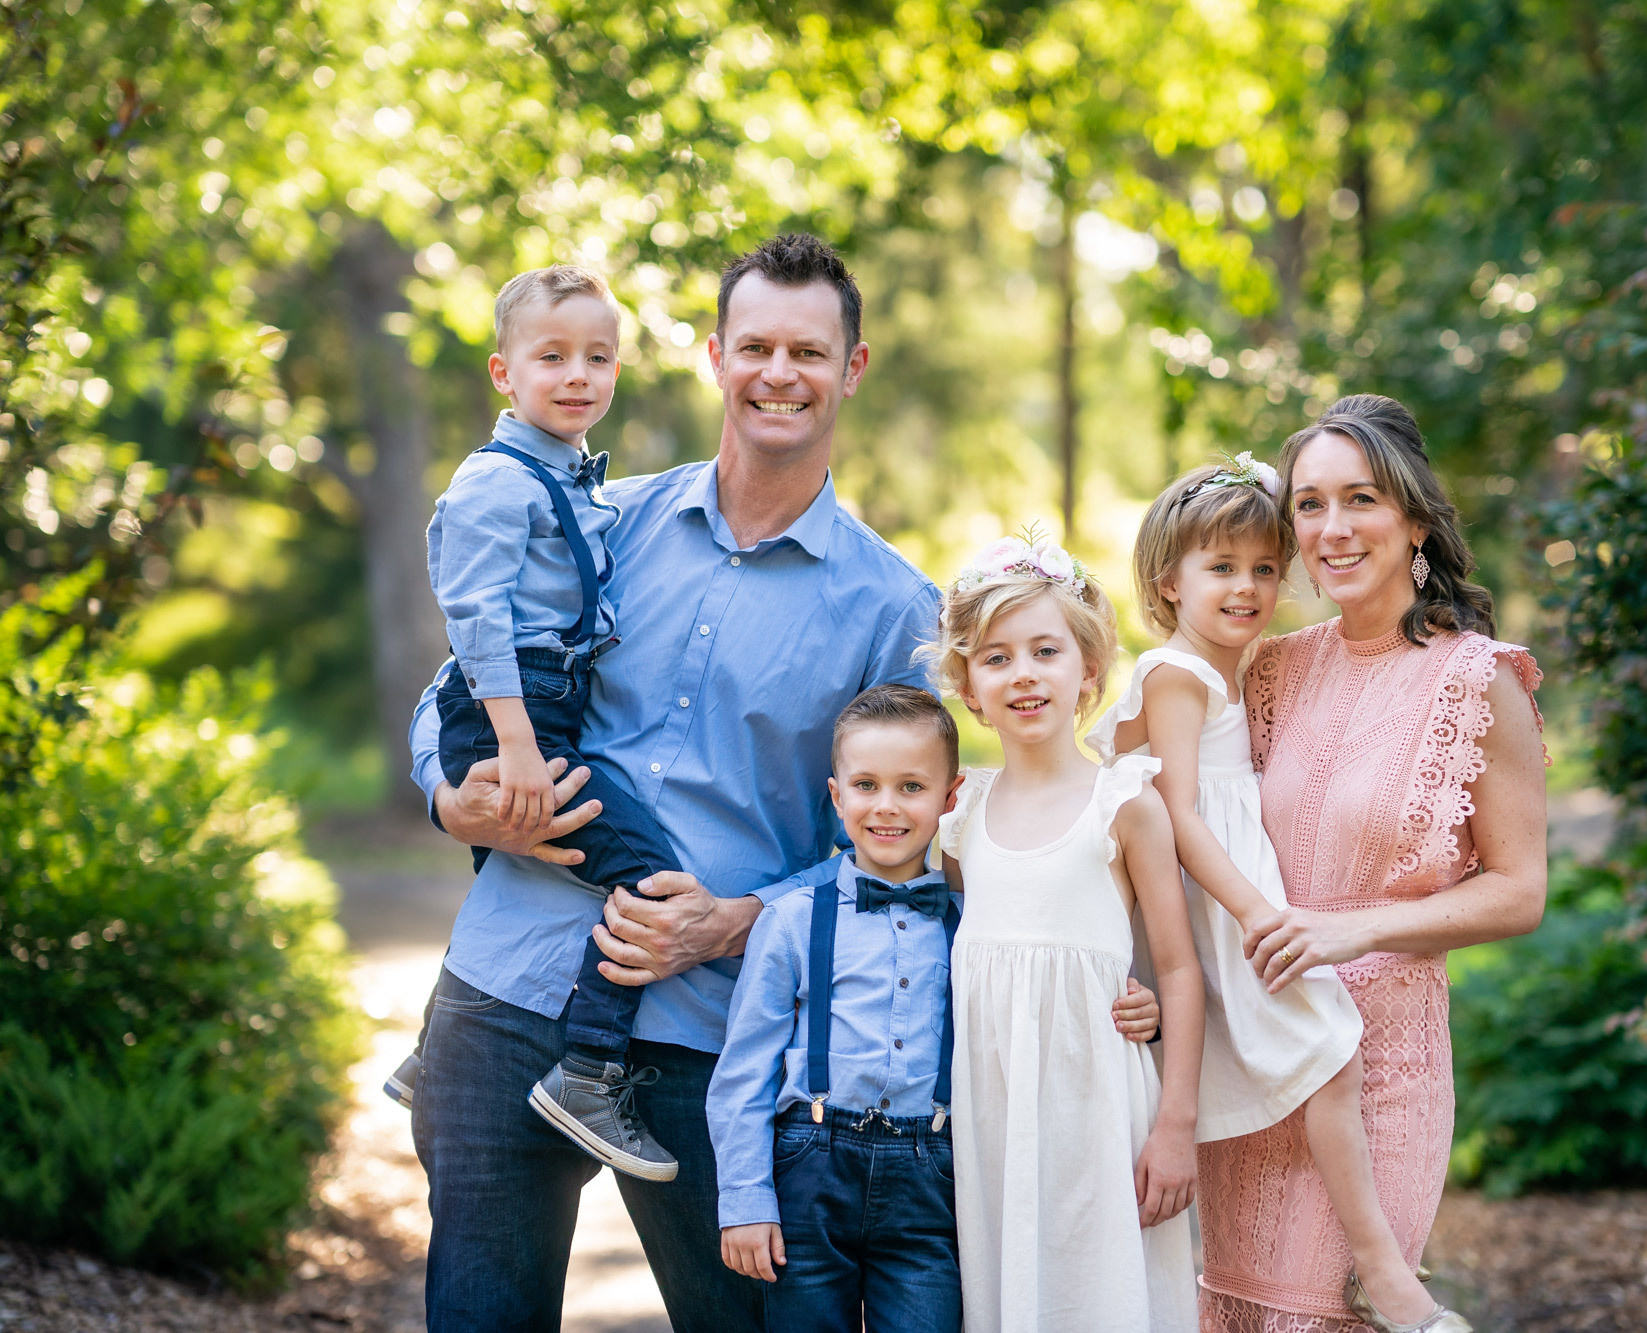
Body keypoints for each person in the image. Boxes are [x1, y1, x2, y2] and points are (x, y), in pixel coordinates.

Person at [402, 234, 1159, 1333]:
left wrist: (732, 922)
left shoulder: (893, 610)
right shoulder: (605, 524)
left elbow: (898, 843)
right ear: (715, 356)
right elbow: (457, 686)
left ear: (850, 369)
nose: (777, 372)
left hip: (712, 1040)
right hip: (503, 993)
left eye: (807, 351)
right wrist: (447, 795)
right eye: (753, 345)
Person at [1087, 451, 1470, 1332]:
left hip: (1231, 902)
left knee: (1320, 1060)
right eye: (1221, 568)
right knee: (1331, 1046)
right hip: (1222, 909)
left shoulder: (1238, 670)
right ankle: (1381, 1268)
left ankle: (1370, 1263)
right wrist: (1258, 911)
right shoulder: (1174, 674)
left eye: (1266, 569)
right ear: (1166, 581)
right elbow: (1179, 813)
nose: (1248, 587)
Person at [1196, 394, 1547, 1333]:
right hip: (1263, 1050)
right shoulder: (1267, 668)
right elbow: (1193, 828)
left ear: (1417, 520)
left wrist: (1357, 927)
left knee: (1334, 1310)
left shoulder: (1482, 678)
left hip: (1382, 1066)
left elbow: (1520, 892)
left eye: (1360, 500)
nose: (1332, 528)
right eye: (1309, 504)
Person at [389, 263, 679, 1183]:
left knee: (513, 879)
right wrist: (517, 744)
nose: (578, 375)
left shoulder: (582, 483)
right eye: (551, 356)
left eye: (598, 356)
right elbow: (472, 618)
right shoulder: (494, 483)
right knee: (647, 877)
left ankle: (432, 1056)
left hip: (544, 706)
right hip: (515, 714)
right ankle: (591, 1070)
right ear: (503, 372)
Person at [934, 533, 1205, 1333]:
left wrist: (1176, 1124)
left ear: (1087, 670)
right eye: (995, 658)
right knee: (1012, 1290)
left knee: (1104, 1294)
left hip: (1098, 1110)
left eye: (1045, 651)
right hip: (995, 1114)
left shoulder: (1124, 804)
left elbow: (1179, 967)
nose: (1023, 673)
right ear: (968, 687)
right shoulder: (961, 819)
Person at [705, 685, 964, 1332]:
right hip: (809, 1170)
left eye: (912, 787)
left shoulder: (971, 927)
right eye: (867, 784)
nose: (886, 805)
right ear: (837, 794)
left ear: (950, 798)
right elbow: (744, 1070)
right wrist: (743, 1197)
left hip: (931, 1175)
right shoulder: (792, 920)